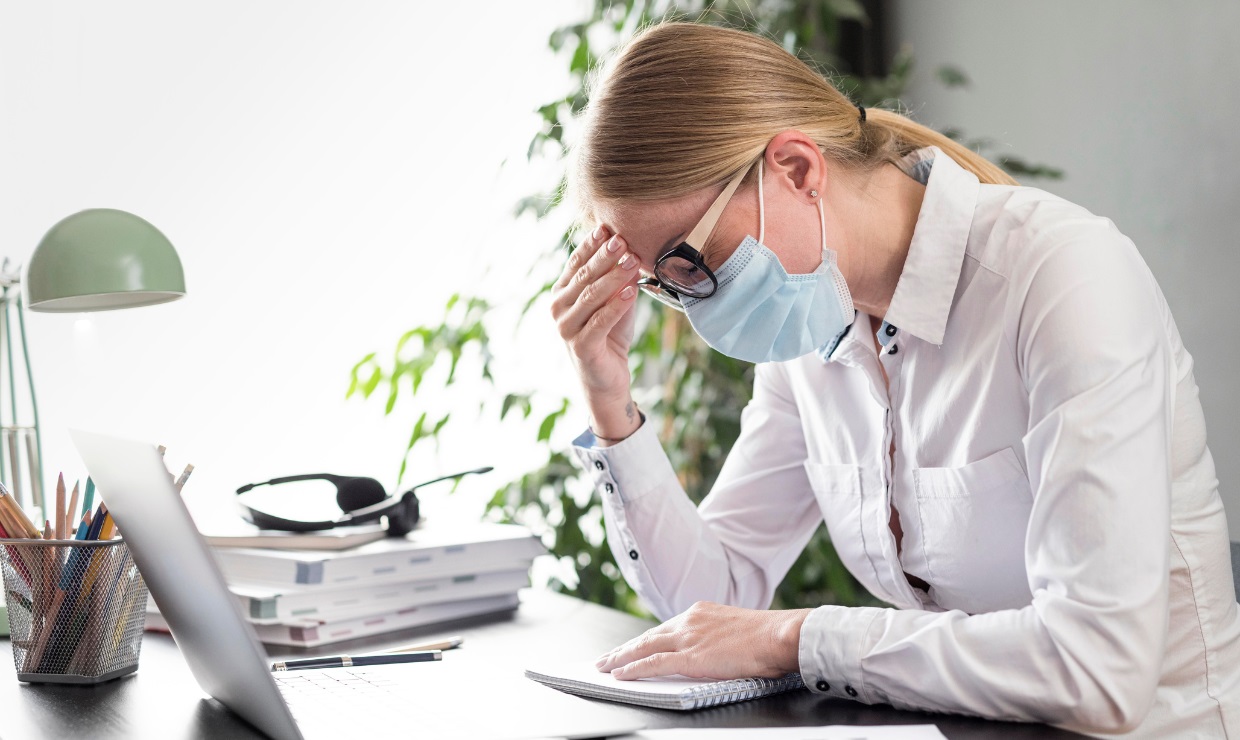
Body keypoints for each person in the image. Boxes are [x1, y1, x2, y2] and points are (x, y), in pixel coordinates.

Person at [549, 21, 1240, 739]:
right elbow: (710, 600)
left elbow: (1099, 670)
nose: (694, 304)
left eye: (690, 260)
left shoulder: (1061, 277)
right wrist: (608, 401)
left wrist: (797, 637)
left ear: (796, 169)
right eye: (663, 285)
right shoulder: (812, 331)